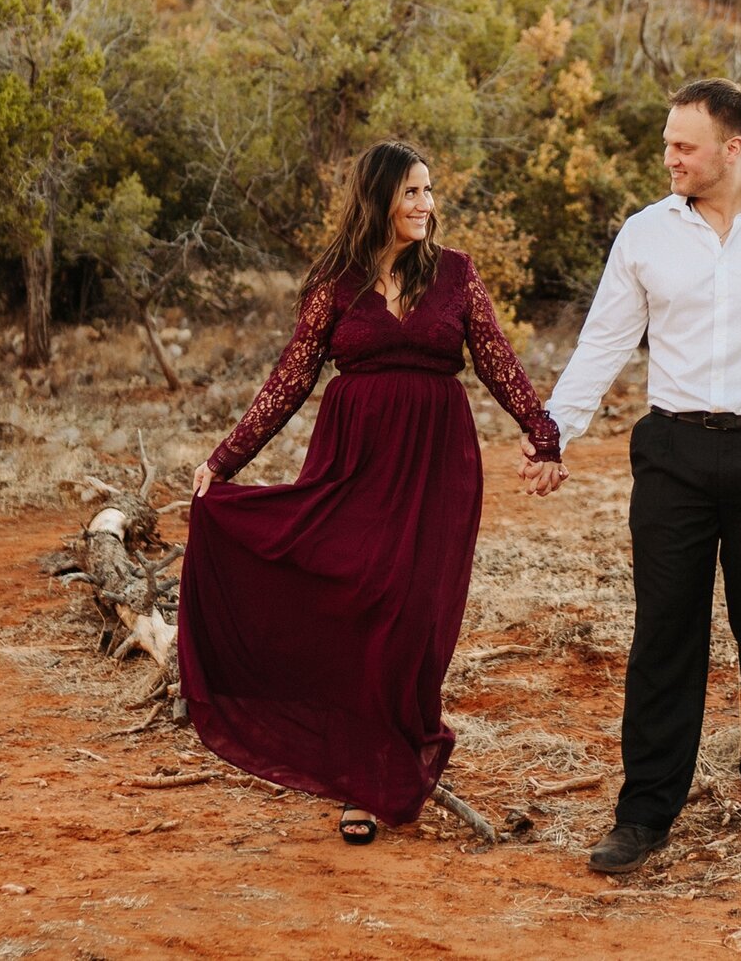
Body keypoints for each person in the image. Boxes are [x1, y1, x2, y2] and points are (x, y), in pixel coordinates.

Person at [178, 141, 563, 844]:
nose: (426, 205)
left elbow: (498, 362)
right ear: (379, 198)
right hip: (352, 463)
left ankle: (401, 751)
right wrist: (225, 460)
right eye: (412, 192)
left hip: (436, 463)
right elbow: (292, 379)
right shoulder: (335, 280)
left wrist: (543, 432)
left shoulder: (456, 274)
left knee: (416, 612)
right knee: (356, 604)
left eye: (430, 192)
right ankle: (363, 779)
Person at [533, 78, 741, 875]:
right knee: (664, 630)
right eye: (668, 143)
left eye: (684, 145)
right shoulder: (645, 234)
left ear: (733, 149)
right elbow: (604, 341)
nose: (669, 158)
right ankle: (645, 811)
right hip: (673, 454)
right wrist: (553, 434)